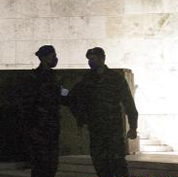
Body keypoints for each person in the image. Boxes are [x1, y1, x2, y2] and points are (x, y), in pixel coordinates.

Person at [69, 47, 138, 177]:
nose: (90, 62)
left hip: (113, 130)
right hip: (96, 130)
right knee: (100, 165)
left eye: (93, 59)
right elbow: (74, 98)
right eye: (89, 59)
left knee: (117, 164)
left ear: (102, 59)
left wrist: (133, 127)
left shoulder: (115, 79)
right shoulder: (87, 79)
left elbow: (128, 103)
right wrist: (81, 119)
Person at [21, 45, 69, 177]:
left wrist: (70, 96)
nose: (55, 59)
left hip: (52, 127)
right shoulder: (34, 77)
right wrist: (32, 127)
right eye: (53, 56)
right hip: (39, 127)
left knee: (52, 164)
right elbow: (27, 105)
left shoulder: (54, 77)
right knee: (40, 164)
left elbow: (62, 95)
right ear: (43, 58)